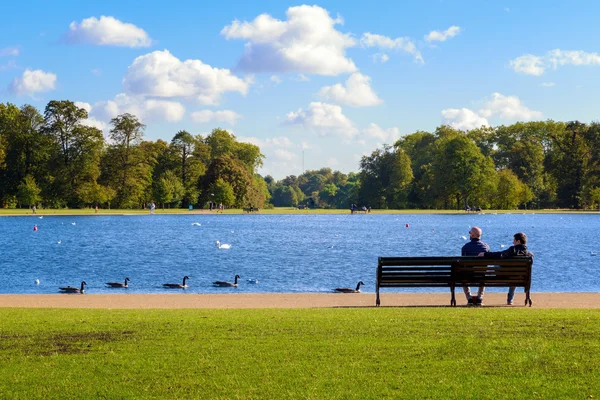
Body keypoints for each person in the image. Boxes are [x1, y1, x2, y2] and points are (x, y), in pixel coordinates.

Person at [483, 232, 533, 305]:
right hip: (520, 277)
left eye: (514, 240)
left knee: (496, 267)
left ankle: (510, 300)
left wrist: (486, 254)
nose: (513, 242)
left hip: (505, 276)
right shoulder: (528, 254)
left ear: (518, 241)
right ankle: (510, 300)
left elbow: (501, 255)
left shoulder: (513, 249)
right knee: (515, 274)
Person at [461, 226, 490, 306]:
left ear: (473, 235)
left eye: (470, 233)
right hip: (482, 275)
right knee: (484, 274)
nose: (469, 234)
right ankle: (479, 298)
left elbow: (463, 263)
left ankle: (469, 298)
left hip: (469, 275)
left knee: (463, 275)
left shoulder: (465, 247)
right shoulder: (486, 247)